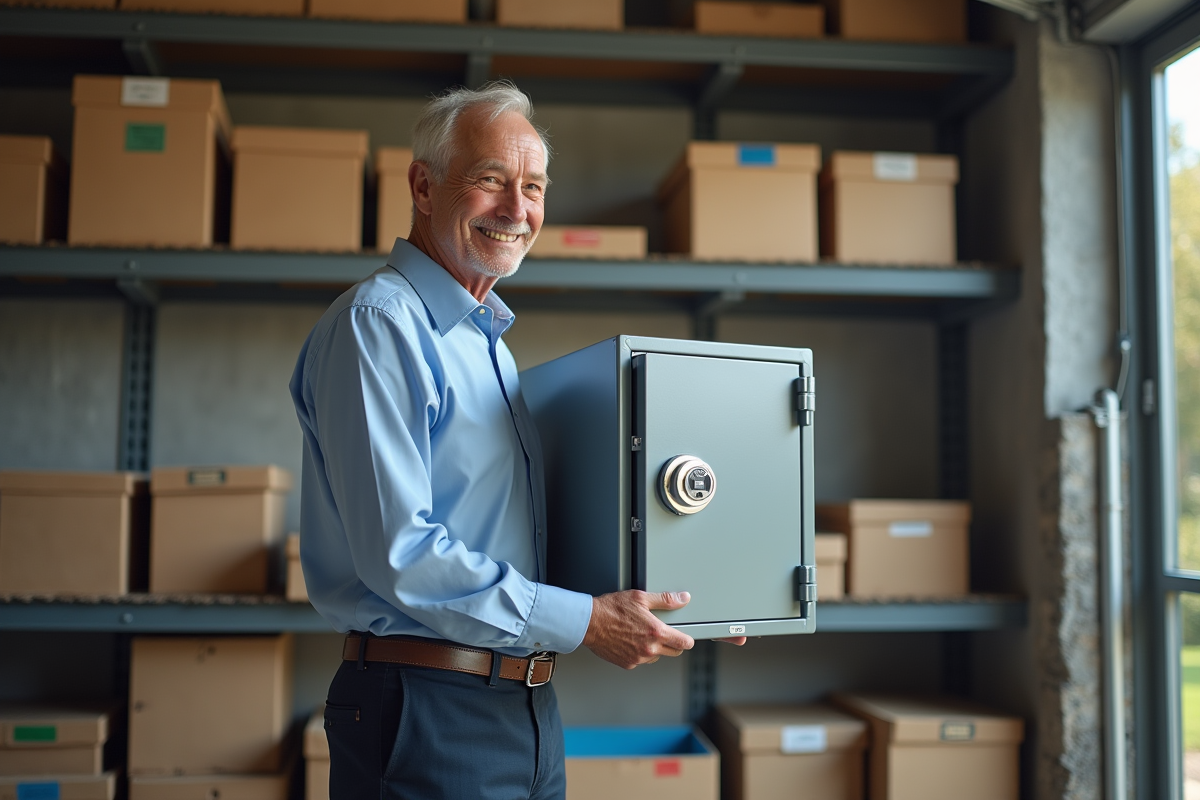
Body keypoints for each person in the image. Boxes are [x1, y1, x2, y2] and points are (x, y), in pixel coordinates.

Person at [289, 80, 744, 800]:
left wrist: (696, 593)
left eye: (533, 186)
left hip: (525, 702)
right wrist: (586, 621)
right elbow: (400, 553)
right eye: (491, 181)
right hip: (427, 704)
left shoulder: (488, 344)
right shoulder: (381, 325)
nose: (517, 209)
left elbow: (512, 539)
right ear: (423, 186)